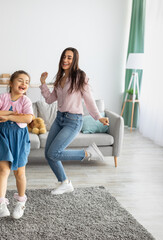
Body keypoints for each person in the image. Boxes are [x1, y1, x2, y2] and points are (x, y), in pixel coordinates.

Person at [40, 47, 109, 195]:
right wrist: (43, 84)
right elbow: (50, 99)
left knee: (54, 152)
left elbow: (89, 99)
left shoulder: (80, 77)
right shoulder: (60, 78)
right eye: (64, 57)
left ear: (75, 60)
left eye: (69, 57)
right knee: (48, 154)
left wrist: (98, 117)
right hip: (59, 119)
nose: (65, 60)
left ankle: (87, 154)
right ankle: (65, 183)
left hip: (73, 121)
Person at [0, 70, 33, 219]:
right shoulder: (3, 97)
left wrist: (6, 116)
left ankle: (21, 203)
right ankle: (1, 205)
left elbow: (28, 118)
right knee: (4, 170)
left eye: (27, 82)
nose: (24, 84)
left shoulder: (25, 101)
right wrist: (15, 116)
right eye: (20, 80)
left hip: (20, 137)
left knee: (19, 173)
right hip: (3, 136)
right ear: (11, 83)